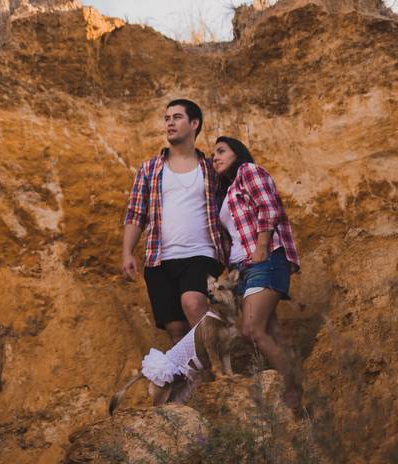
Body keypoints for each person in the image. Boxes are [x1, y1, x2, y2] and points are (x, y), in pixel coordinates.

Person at [122, 99, 228, 345]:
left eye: (177, 117)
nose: (170, 122)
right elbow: (136, 213)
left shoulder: (211, 169)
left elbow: (232, 207)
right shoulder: (150, 168)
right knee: (177, 330)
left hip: (201, 254)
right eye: (167, 118)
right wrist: (127, 252)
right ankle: (203, 380)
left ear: (194, 123)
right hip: (159, 259)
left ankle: (222, 369)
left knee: (192, 302)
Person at [212, 136, 302, 409]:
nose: (214, 156)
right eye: (212, 154)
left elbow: (269, 207)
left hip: (265, 259)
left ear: (237, 153)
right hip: (243, 269)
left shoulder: (248, 171)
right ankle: (297, 394)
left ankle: (293, 390)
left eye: (220, 151)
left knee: (252, 329)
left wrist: (262, 246)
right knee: (271, 332)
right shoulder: (226, 192)